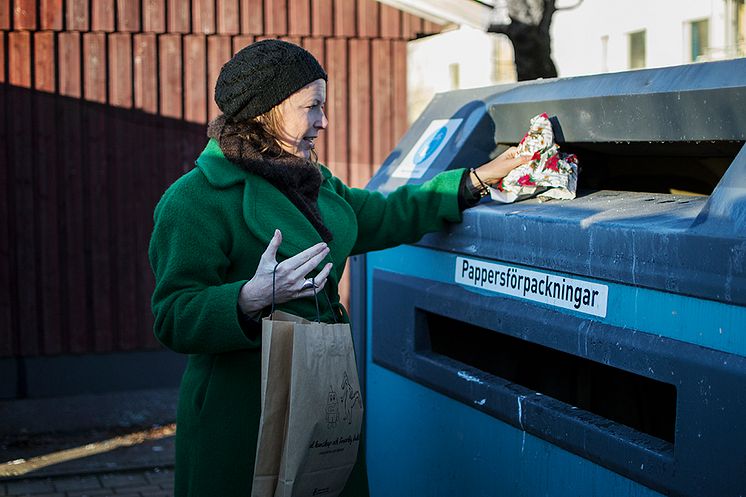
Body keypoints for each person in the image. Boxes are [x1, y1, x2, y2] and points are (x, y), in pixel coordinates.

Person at [149, 39, 529, 497]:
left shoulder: (314, 181)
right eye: (312, 107)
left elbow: (383, 215)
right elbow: (173, 316)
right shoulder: (195, 199)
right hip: (243, 417)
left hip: (322, 395)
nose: (322, 121)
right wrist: (248, 298)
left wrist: (474, 180)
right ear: (267, 110)